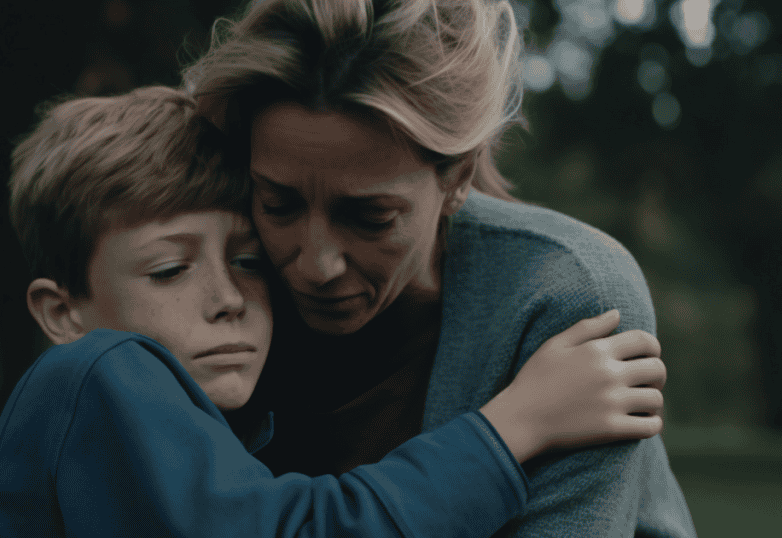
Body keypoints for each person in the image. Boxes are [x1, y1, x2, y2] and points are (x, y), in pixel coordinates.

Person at [0, 85, 666, 537]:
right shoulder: (98, 375)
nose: (226, 299)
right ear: (63, 312)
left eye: (248, 260)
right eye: (169, 269)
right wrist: (513, 428)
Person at [181, 0, 697, 535]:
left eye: (370, 216)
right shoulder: (211, 286)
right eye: (279, 205)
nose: (316, 266)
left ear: (457, 178)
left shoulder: (566, 299)